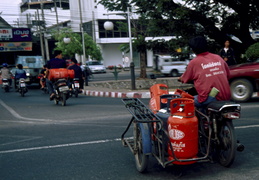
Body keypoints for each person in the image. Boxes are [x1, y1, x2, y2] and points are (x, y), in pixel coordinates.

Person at [179, 36, 231, 109]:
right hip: (226, 95)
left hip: (210, 98)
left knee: (184, 102)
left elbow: (184, 79)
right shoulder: (218, 58)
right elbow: (228, 75)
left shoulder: (194, 62)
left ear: (193, 50)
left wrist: (180, 79)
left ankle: (200, 120)